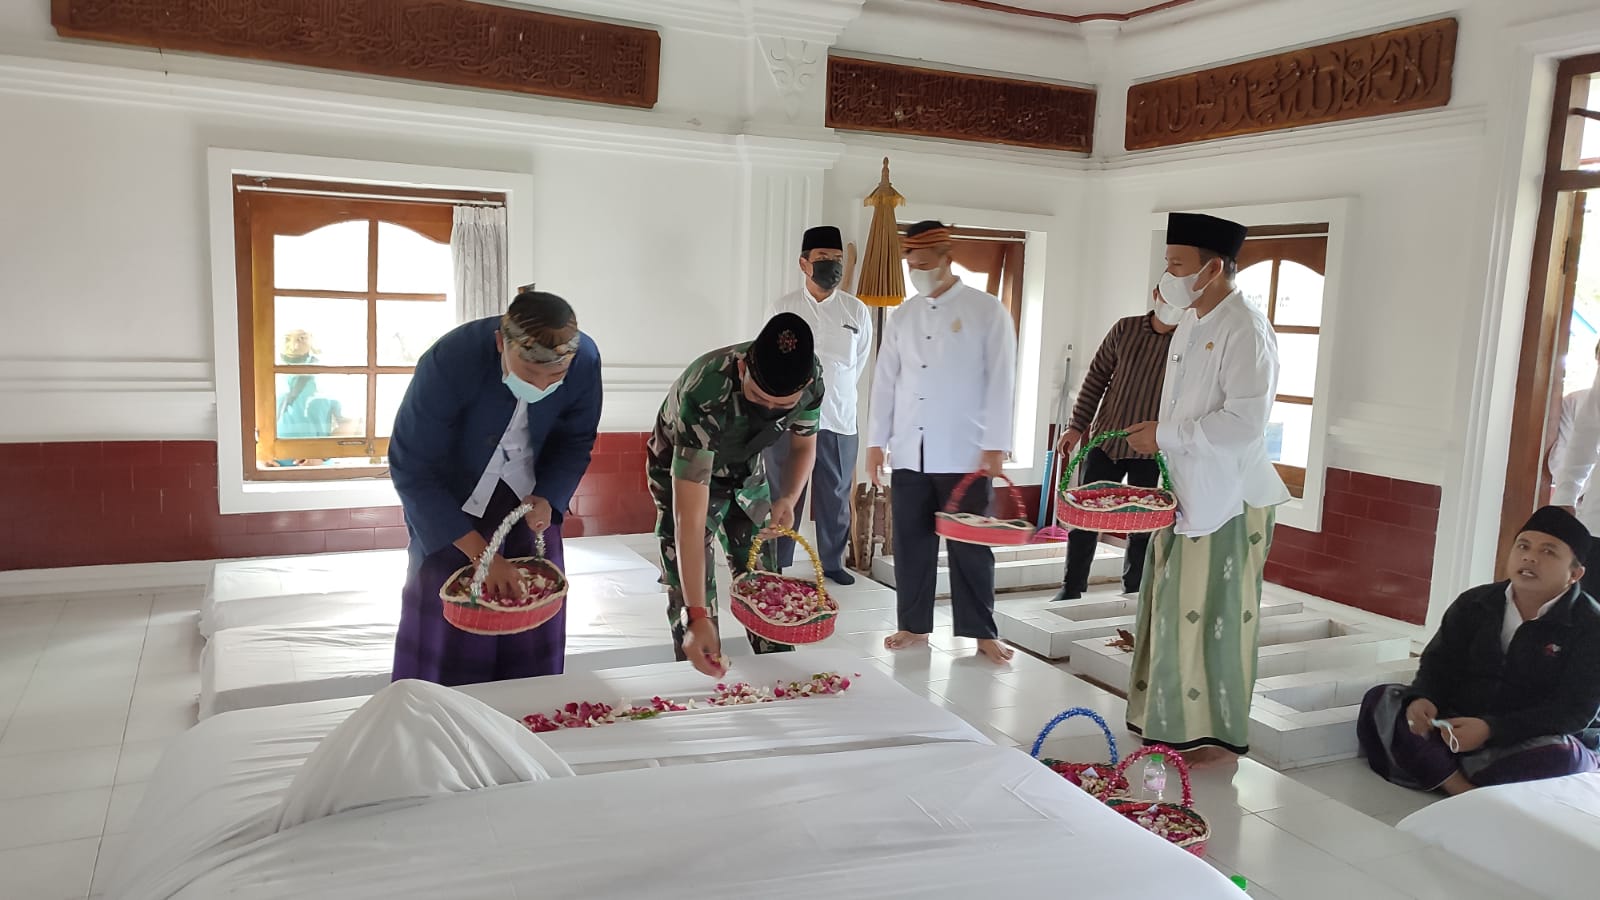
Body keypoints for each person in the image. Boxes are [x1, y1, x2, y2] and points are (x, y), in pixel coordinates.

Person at [1122, 212, 1291, 764]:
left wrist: (1165, 434)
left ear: (1213, 268)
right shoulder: (1192, 322)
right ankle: (1162, 721)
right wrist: (1159, 436)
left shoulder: (1246, 329)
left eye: (1177, 265)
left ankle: (1207, 735)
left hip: (1227, 502)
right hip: (1185, 491)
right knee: (1170, 613)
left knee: (1209, 621)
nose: (1167, 276)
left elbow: (1244, 423)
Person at [388, 291, 602, 686]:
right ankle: (441, 714)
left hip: (528, 502)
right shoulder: (451, 360)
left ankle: (522, 714)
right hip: (452, 507)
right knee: (449, 626)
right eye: (529, 374)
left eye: (554, 377)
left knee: (531, 617)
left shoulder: (584, 360)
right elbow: (412, 465)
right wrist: (480, 554)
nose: (541, 385)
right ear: (502, 343)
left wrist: (550, 496)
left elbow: (575, 441)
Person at [1357, 507, 1600, 794]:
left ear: (1575, 574)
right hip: (1457, 723)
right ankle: (1461, 787)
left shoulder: (1590, 625)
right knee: (1382, 700)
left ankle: (1438, 769)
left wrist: (1491, 729)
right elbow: (1438, 664)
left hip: (1526, 736)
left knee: (1563, 756)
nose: (1530, 557)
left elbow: (1573, 711)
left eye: (1548, 552)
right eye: (1523, 546)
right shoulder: (1475, 603)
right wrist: (1424, 698)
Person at [868, 220, 1018, 664]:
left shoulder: (986, 310)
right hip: (909, 449)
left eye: (924, 264)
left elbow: (1002, 380)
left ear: (947, 258)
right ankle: (913, 625)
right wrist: (876, 441)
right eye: (912, 265)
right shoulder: (904, 316)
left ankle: (982, 632)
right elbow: (885, 381)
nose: (917, 272)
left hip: (965, 452)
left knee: (970, 545)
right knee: (911, 544)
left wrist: (996, 444)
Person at [649, 312, 823, 678]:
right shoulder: (705, 390)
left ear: (806, 385)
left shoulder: (812, 381)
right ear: (743, 367)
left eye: (781, 406)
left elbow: (804, 445)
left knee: (763, 575)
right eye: (759, 398)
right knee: (690, 589)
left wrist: (788, 498)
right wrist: (698, 615)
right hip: (682, 469)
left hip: (745, 466)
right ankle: (701, 675)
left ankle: (780, 678)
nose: (768, 411)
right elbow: (690, 521)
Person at [1052, 288, 1179, 603]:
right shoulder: (1125, 328)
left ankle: (1134, 590)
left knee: (1142, 522)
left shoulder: (1186, 340)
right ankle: (1071, 588)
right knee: (1085, 517)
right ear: (1156, 294)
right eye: (1169, 296)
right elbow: (1096, 378)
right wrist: (1075, 427)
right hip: (1106, 440)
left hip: (1150, 448)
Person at [763, 225, 873, 586]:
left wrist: (834, 394)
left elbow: (857, 364)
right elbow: (768, 362)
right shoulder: (783, 309)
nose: (833, 265)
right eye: (823, 258)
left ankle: (832, 562)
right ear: (804, 263)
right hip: (789, 419)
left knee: (835, 494)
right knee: (784, 491)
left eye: (838, 259)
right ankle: (777, 560)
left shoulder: (856, 311)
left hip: (838, 419)